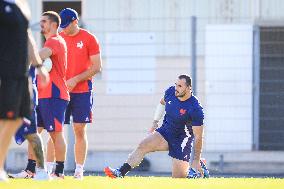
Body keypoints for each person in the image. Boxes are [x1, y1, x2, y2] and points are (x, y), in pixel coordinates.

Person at [104, 75, 209, 178]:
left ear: (189, 88)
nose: (176, 88)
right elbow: (162, 103)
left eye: (180, 86)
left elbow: (199, 136)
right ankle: (120, 172)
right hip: (165, 132)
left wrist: (196, 160)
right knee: (143, 145)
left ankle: (200, 170)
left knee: (179, 179)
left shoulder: (195, 108)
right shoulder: (171, 92)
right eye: (176, 85)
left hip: (181, 141)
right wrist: (155, 121)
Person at [49, 8, 101, 179]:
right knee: (55, 130)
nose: (63, 29)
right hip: (60, 91)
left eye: (66, 25)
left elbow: (96, 67)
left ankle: (79, 170)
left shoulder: (89, 38)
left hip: (82, 91)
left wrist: (75, 80)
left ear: (75, 21)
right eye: (61, 26)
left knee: (79, 129)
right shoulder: (58, 38)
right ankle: (51, 170)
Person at [0, 0, 49, 182]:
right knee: (5, 119)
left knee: (16, 119)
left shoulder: (22, 5)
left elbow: (27, 36)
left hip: (21, 74)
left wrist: (38, 65)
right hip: (5, 72)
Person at [36, 11, 69, 179]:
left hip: (54, 95)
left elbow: (39, 56)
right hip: (43, 95)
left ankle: (59, 171)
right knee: (34, 132)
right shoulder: (49, 42)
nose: (41, 24)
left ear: (54, 25)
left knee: (56, 133)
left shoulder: (55, 41)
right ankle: (31, 169)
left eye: (44, 21)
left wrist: (21, 52)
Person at [8, 67, 49, 180]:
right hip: (7, 91)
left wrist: (41, 68)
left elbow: (33, 56)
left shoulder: (26, 49)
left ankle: (42, 170)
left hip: (25, 93)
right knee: (4, 130)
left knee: (31, 133)